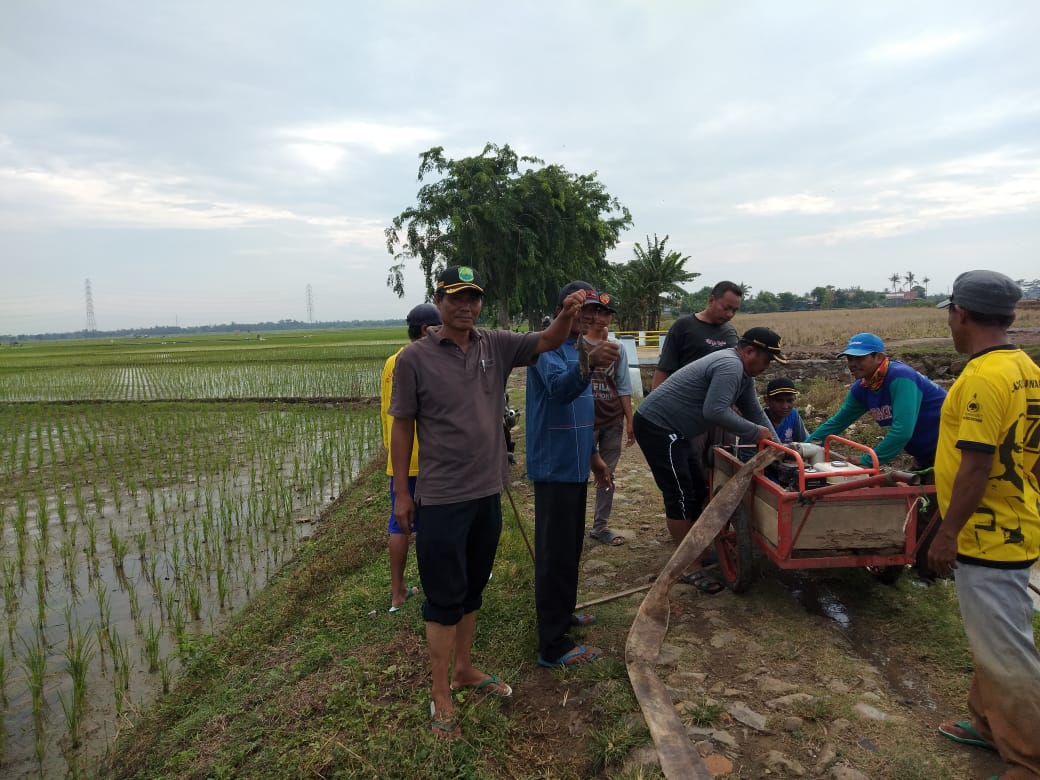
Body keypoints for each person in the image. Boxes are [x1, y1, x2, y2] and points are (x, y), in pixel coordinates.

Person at [388, 265, 589, 739]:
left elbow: (545, 340)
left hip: (487, 492)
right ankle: (440, 692)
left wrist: (566, 313)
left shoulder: (494, 344)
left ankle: (464, 669)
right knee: (443, 597)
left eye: (473, 297)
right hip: (440, 497)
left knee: (473, 587)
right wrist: (401, 492)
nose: (466, 306)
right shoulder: (413, 359)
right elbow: (402, 426)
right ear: (438, 301)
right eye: (456, 297)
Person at [927, 270, 1040, 779]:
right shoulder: (1026, 368)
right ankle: (987, 723)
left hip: (988, 534)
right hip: (1015, 522)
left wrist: (946, 532)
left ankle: (1027, 760)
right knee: (990, 635)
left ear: (961, 314)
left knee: (1007, 649)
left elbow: (976, 465)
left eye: (950, 316)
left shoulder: (980, 379)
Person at [634, 327, 784, 594]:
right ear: (749, 351)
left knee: (698, 489)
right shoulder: (730, 366)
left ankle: (694, 551)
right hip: (658, 426)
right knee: (679, 494)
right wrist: (753, 433)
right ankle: (688, 566)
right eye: (768, 359)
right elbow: (714, 411)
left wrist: (778, 447)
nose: (768, 366)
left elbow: (754, 410)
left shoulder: (743, 374)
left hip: (678, 430)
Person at [527, 281, 617, 669]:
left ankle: (563, 616)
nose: (594, 317)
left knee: (569, 550)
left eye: (599, 311)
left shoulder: (579, 347)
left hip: (577, 465)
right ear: (566, 310)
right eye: (586, 310)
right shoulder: (545, 347)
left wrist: (595, 456)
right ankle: (552, 645)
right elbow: (561, 392)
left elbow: (581, 412)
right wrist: (589, 364)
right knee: (554, 554)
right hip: (554, 468)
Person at [807, 332, 946, 469]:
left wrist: (869, 460)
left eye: (859, 358)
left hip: (948, 448)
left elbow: (902, 431)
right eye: (850, 359)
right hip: (924, 454)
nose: (853, 364)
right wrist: (804, 447)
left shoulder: (900, 377)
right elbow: (837, 422)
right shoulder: (862, 388)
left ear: (879, 357)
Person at [380, 302, 441, 613]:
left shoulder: (392, 361)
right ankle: (437, 588)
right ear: (426, 331)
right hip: (428, 456)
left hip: (400, 459)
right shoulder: (427, 360)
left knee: (399, 524)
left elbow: (386, 413)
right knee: (434, 525)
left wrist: (391, 454)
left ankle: (397, 591)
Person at [584, 290, 634, 546]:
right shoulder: (577, 344)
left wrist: (630, 420)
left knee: (607, 475)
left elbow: (623, 385)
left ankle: (600, 526)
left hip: (612, 419)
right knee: (580, 473)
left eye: (608, 313)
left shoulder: (618, 348)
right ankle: (571, 523)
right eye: (598, 311)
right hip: (584, 421)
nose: (602, 317)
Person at [651, 280, 743, 390]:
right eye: (726, 308)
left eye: (734, 310)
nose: (730, 314)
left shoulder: (730, 333)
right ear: (711, 300)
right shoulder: (683, 326)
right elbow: (664, 368)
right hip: (683, 399)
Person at [763, 376, 807, 446]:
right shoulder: (759, 420)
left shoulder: (793, 414)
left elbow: (805, 442)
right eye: (779, 401)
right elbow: (747, 454)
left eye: (790, 400)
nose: (785, 406)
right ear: (767, 400)